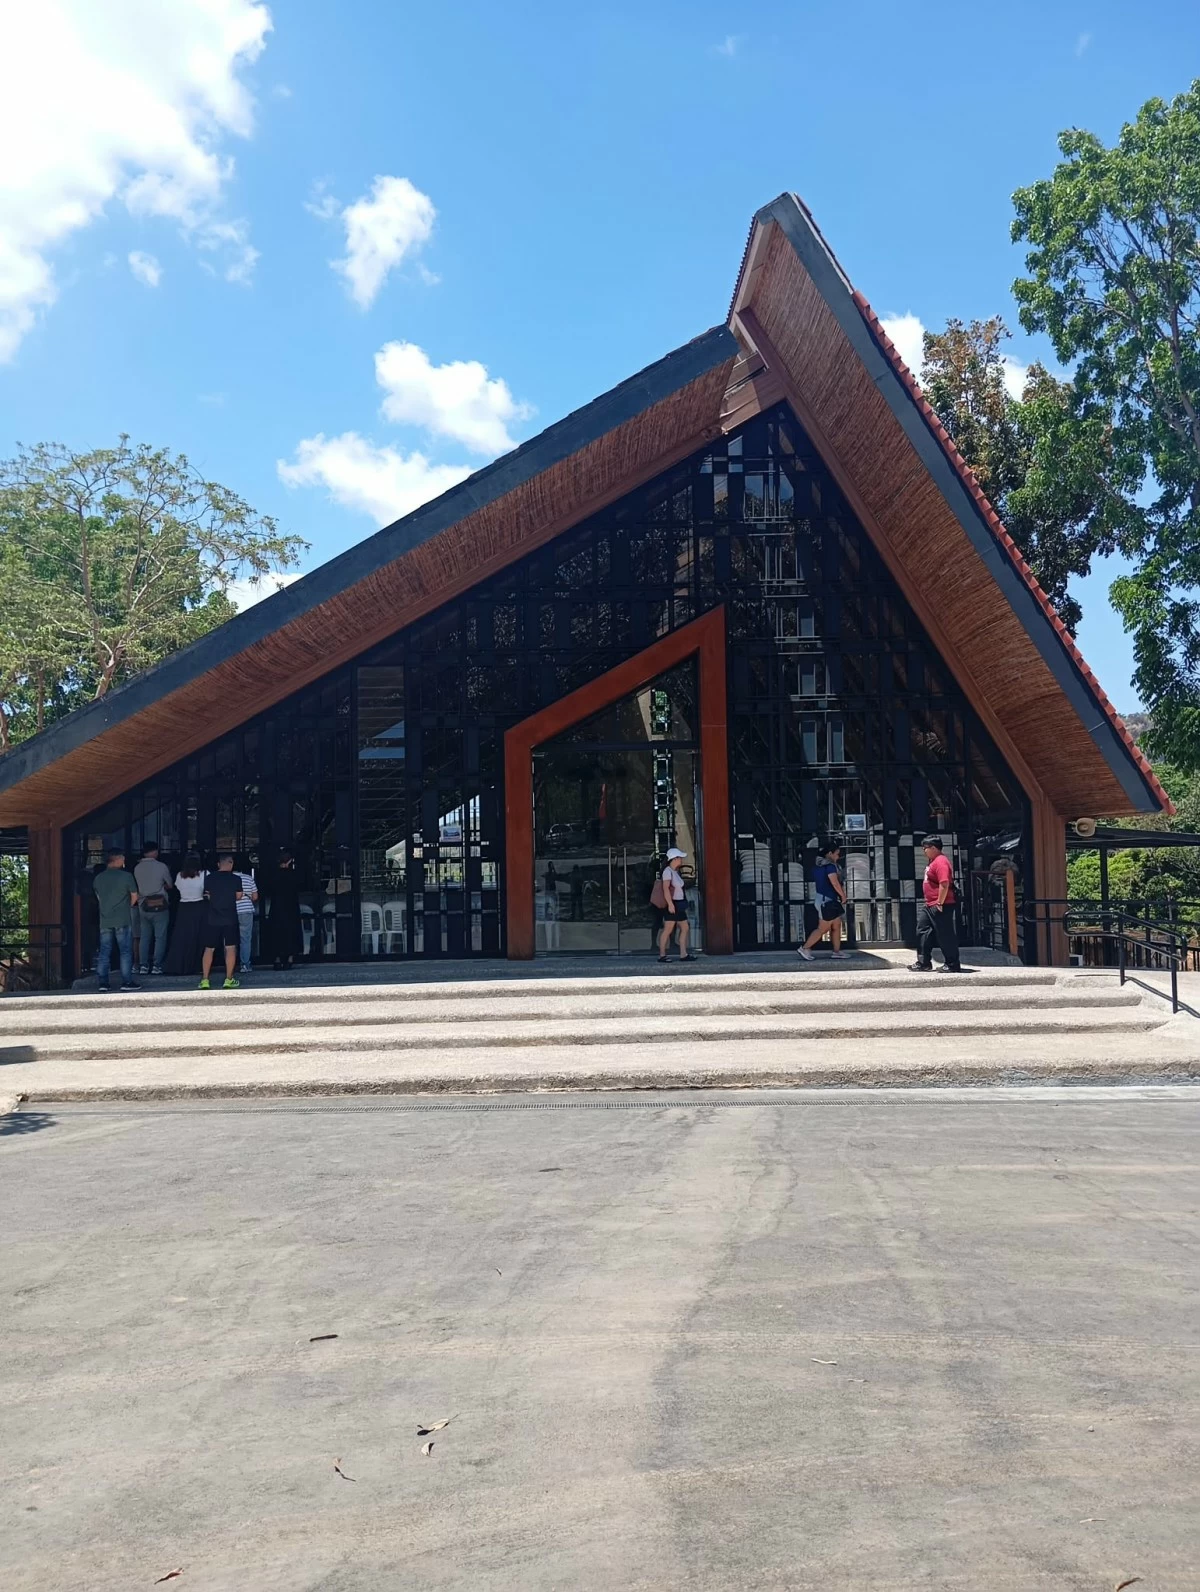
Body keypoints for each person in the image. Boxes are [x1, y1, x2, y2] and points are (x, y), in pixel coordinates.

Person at [910, 834, 963, 973]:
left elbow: (944, 883)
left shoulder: (941, 862)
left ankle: (952, 963)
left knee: (945, 933)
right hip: (930, 904)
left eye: (925, 848)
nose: (924, 851)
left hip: (941, 904)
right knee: (922, 930)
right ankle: (923, 962)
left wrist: (940, 901)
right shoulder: (932, 861)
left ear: (933, 848)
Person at [92, 849, 140, 992]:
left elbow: (99, 898)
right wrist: (127, 906)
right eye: (122, 859)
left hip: (105, 919)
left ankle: (103, 983)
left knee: (104, 951)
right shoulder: (127, 876)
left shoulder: (98, 878)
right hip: (123, 918)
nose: (124, 861)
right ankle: (126, 981)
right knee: (125, 950)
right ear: (117, 860)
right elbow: (134, 896)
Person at [798, 839, 848, 961]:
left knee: (836, 924)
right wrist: (843, 895)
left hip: (823, 899)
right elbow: (835, 883)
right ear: (829, 853)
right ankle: (805, 948)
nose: (838, 856)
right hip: (827, 900)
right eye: (836, 854)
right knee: (822, 928)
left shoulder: (817, 867)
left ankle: (836, 951)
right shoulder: (830, 867)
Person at [199, 853, 243, 990]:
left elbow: (207, 894)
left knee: (209, 948)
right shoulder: (236, 879)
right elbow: (239, 896)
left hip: (213, 917)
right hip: (230, 916)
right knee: (230, 947)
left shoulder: (209, 878)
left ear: (218, 864)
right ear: (231, 864)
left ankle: (205, 979)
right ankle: (228, 979)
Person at [163, 851, 207, 975]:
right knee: (197, 936)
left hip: (184, 907)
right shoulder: (204, 874)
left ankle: (178, 965)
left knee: (181, 937)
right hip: (199, 905)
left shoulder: (179, 875)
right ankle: (196, 965)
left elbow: (177, 887)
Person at [133, 842, 173, 975]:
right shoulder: (161, 866)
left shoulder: (137, 868)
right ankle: (157, 965)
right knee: (160, 936)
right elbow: (170, 884)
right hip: (160, 904)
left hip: (143, 904)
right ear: (155, 851)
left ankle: (143, 965)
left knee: (144, 936)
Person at [263, 849, 302, 970]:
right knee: (291, 931)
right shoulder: (294, 874)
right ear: (290, 861)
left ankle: (277, 958)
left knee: (276, 931)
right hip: (291, 906)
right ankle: (290, 958)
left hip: (277, 906)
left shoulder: (273, 875)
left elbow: (267, 889)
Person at [657, 847, 694, 963]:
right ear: (674, 859)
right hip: (673, 904)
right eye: (679, 857)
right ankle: (662, 955)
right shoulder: (667, 872)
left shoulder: (675, 872)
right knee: (668, 929)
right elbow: (666, 889)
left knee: (684, 927)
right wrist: (670, 904)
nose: (681, 859)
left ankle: (683, 954)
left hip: (679, 903)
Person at [234, 856, 259, 974]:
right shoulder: (248, 878)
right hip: (246, 910)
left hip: (231, 910)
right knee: (245, 939)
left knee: (230, 940)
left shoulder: (229, 878)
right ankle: (245, 964)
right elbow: (255, 897)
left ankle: (230, 963)